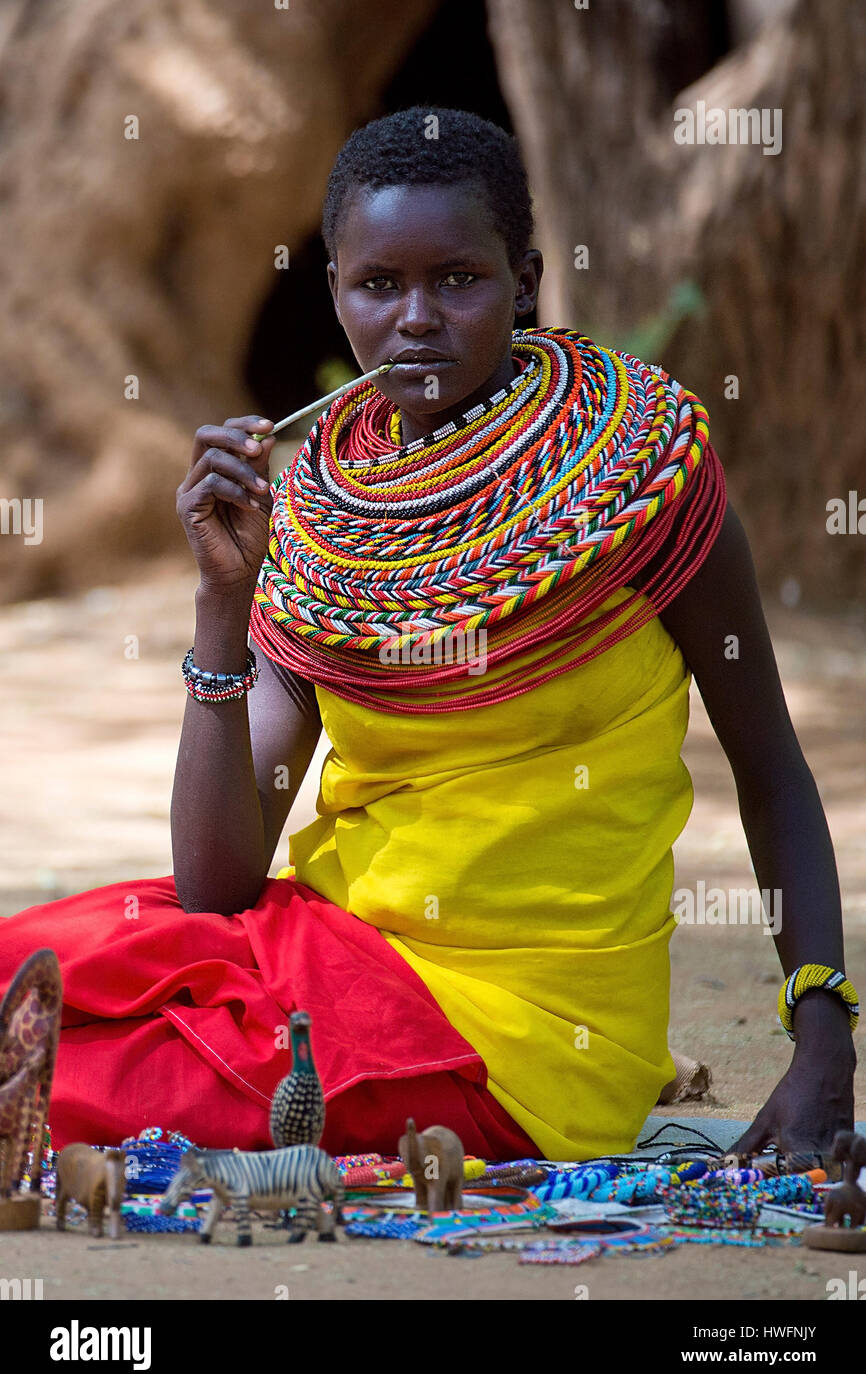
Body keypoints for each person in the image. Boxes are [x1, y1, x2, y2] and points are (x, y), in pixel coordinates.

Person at [0, 108, 855, 1162]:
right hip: (329, 958)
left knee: (87, 1082)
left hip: (516, 1039)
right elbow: (218, 884)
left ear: (525, 279)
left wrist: (825, 1038)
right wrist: (225, 600)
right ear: (334, 295)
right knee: (32, 968)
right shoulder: (317, 525)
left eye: (457, 280)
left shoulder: (638, 479)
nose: (415, 318)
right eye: (378, 285)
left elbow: (769, 767)